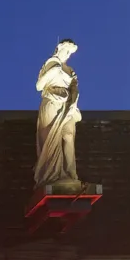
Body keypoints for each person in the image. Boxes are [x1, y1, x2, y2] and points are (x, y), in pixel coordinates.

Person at [33, 38, 84, 192]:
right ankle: (51, 174)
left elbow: (75, 89)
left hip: (68, 106)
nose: (68, 55)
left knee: (68, 137)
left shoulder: (70, 70)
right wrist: (53, 72)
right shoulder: (51, 63)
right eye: (66, 51)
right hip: (51, 104)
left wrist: (72, 103)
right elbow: (39, 86)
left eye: (70, 52)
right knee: (51, 139)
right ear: (59, 48)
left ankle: (70, 173)